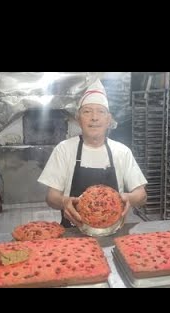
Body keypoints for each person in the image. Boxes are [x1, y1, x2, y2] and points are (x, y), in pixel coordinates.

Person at [38, 79, 148, 228]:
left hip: (113, 231)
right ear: (78, 119)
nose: (94, 117)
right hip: (74, 232)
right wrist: (64, 201)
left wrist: (128, 198)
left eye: (101, 112)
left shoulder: (122, 151)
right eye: (87, 111)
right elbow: (51, 197)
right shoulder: (64, 149)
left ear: (108, 120)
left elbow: (141, 195)